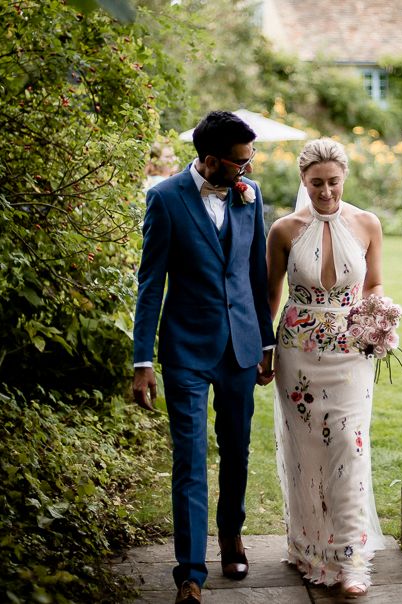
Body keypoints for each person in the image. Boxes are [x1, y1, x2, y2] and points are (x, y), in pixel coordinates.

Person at [132, 111, 275, 604]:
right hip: (187, 350)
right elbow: (150, 285)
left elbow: (256, 274)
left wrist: (267, 344)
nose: (248, 169)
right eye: (240, 162)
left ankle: (231, 535)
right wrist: (142, 360)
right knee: (190, 460)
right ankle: (190, 573)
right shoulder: (165, 199)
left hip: (241, 347)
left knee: (236, 450)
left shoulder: (249, 198)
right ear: (210, 162)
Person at [266, 138, 385, 597]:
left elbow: (373, 282)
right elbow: (269, 295)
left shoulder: (368, 224)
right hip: (298, 352)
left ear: (344, 178)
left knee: (350, 448)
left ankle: (351, 558)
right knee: (308, 452)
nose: (326, 192)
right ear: (303, 181)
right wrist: (265, 350)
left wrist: (378, 323)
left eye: (333, 182)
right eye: (317, 183)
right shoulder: (284, 231)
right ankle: (310, 548)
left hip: (352, 353)